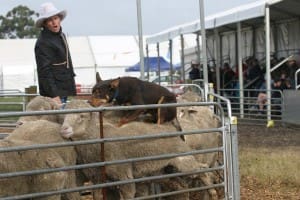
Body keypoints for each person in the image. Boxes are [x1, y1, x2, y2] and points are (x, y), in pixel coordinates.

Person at [34, 2, 76, 106]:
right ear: (45, 23)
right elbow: (44, 71)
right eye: (50, 20)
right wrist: (54, 95)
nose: (54, 22)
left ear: (59, 19)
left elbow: (66, 62)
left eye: (56, 18)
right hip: (54, 94)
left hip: (63, 88)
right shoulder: (43, 42)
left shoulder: (61, 36)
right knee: (55, 120)